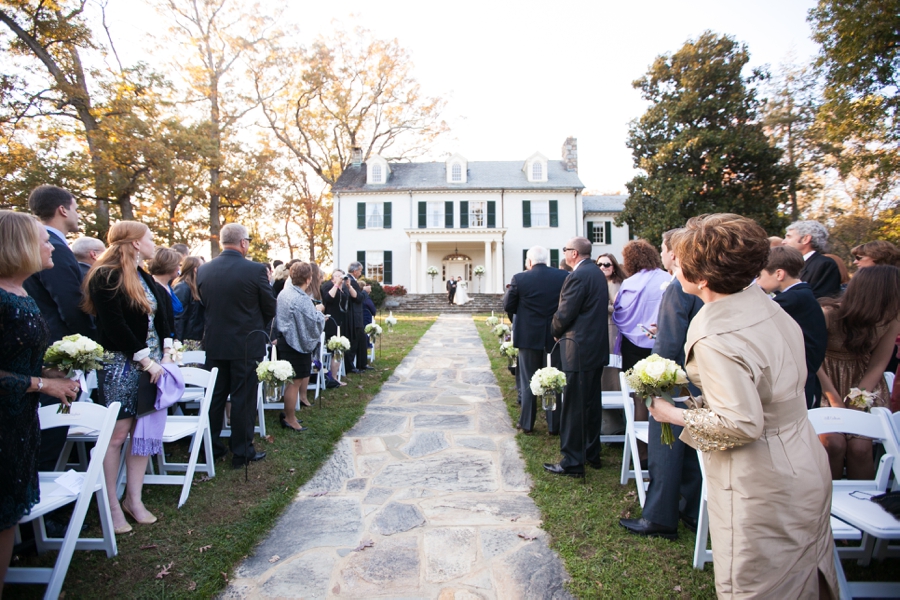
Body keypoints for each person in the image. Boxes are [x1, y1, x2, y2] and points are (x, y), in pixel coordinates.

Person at [648, 213, 838, 599]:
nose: (674, 265)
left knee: (756, 586)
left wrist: (671, 413)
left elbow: (741, 424)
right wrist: (701, 398)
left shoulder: (715, 332)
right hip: (804, 457)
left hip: (762, 478)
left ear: (701, 277)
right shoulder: (765, 304)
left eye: (680, 259)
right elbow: (765, 384)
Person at [0, 211, 82, 592]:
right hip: (4, 420)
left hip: (20, 420)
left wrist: (51, 375)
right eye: (42, 239)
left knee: (9, 512)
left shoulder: (23, 291)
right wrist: (40, 384)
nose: (52, 245)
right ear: (18, 245)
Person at [83, 221, 174, 533]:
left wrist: (166, 350)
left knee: (143, 432)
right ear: (135, 242)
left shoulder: (143, 275)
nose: (152, 243)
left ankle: (133, 500)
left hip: (154, 366)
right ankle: (110, 503)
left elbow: (161, 316)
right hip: (122, 365)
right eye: (149, 238)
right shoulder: (105, 275)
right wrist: (145, 361)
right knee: (118, 435)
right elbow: (114, 325)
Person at [620, 228, 703, 539]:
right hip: (699, 380)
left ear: (674, 253)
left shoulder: (679, 287)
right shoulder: (707, 285)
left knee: (664, 448)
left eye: (664, 248)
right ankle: (691, 510)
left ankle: (659, 517)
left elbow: (668, 344)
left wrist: (650, 382)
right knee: (693, 449)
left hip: (675, 381)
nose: (662, 253)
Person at [23, 184, 97, 470]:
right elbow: (70, 303)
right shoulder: (55, 249)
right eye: (76, 208)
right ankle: (47, 499)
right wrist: (87, 344)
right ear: (62, 209)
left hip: (45, 342)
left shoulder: (40, 246)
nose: (77, 214)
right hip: (57, 348)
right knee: (54, 421)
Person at [198, 223, 276, 468]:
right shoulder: (254, 270)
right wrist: (258, 329)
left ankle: (211, 448)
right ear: (243, 243)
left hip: (214, 342)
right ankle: (242, 451)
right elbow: (270, 307)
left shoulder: (204, 270)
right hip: (245, 344)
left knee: (215, 397)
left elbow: (205, 306)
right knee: (243, 398)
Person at [816, 265, 900, 480]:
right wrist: (834, 398)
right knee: (833, 443)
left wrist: (858, 398)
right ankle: (828, 501)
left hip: (864, 383)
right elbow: (812, 358)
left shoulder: (890, 319)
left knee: (860, 449)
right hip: (827, 379)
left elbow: (879, 363)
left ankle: (864, 499)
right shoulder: (828, 314)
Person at [544, 237, 609, 476]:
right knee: (591, 403)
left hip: (578, 348)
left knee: (573, 406)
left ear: (573, 253)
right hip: (594, 348)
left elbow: (565, 312)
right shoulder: (596, 273)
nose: (563, 253)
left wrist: (554, 330)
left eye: (565, 249)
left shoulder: (578, 276)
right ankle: (592, 453)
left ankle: (572, 461)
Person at [504, 245, 568, 435]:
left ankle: (527, 423)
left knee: (528, 380)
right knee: (553, 379)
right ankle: (554, 425)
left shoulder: (520, 278)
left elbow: (508, 304)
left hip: (528, 336)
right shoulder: (563, 277)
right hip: (554, 334)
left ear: (529, 262)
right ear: (546, 260)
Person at [757, 246, 828, 409]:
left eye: (760, 275)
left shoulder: (791, 300)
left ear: (779, 274)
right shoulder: (802, 294)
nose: (757, 282)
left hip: (798, 380)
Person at [275, 262, 325, 431]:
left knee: (291, 382)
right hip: (295, 344)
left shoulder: (285, 292)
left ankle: (290, 414)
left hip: (285, 340)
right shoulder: (301, 298)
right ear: (308, 278)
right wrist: (319, 312)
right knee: (294, 383)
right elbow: (312, 322)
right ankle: (290, 418)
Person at [612, 239, 670, 371]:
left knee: (634, 384)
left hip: (632, 342)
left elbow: (620, 312)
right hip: (660, 338)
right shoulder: (667, 278)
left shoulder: (629, 283)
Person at [782, 220, 842, 298]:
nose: (783, 242)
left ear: (806, 239)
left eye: (789, 237)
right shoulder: (787, 264)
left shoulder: (825, 265)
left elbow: (822, 300)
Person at [321, 269, 349, 386]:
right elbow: (328, 299)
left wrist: (345, 285)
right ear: (332, 277)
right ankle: (333, 377)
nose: (340, 278)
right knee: (335, 349)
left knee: (339, 348)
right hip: (331, 321)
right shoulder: (328, 286)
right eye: (337, 276)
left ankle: (335, 376)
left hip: (341, 320)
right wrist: (336, 284)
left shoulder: (343, 287)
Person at [173, 256, 205, 345]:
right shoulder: (183, 288)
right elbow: (179, 317)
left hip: (195, 338)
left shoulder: (196, 288)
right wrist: (178, 342)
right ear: (195, 269)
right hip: (186, 340)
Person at [147, 247, 184, 327]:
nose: (179, 268)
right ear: (169, 265)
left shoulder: (167, 285)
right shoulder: (153, 287)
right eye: (178, 265)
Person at [345, 262, 369, 372]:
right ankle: (351, 366)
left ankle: (361, 364)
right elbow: (358, 298)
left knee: (361, 339)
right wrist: (365, 292)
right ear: (355, 271)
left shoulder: (352, 281)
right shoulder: (351, 282)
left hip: (356, 315)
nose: (360, 273)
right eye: (360, 271)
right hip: (354, 316)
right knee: (354, 341)